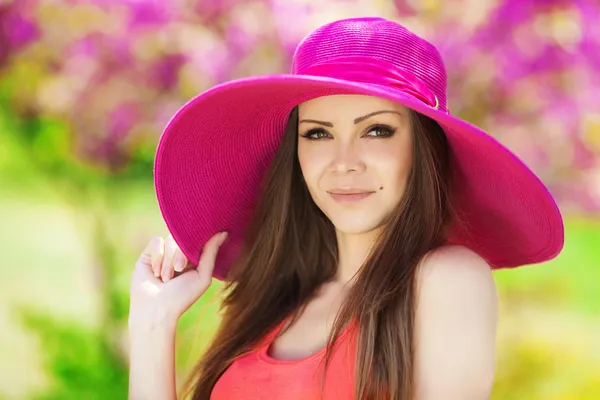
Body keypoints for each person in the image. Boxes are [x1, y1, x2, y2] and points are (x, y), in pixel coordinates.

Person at [128, 17, 564, 400]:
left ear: (423, 148)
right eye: (318, 134)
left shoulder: (444, 279)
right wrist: (152, 324)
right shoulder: (275, 301)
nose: (344, 162)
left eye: (376, 131)